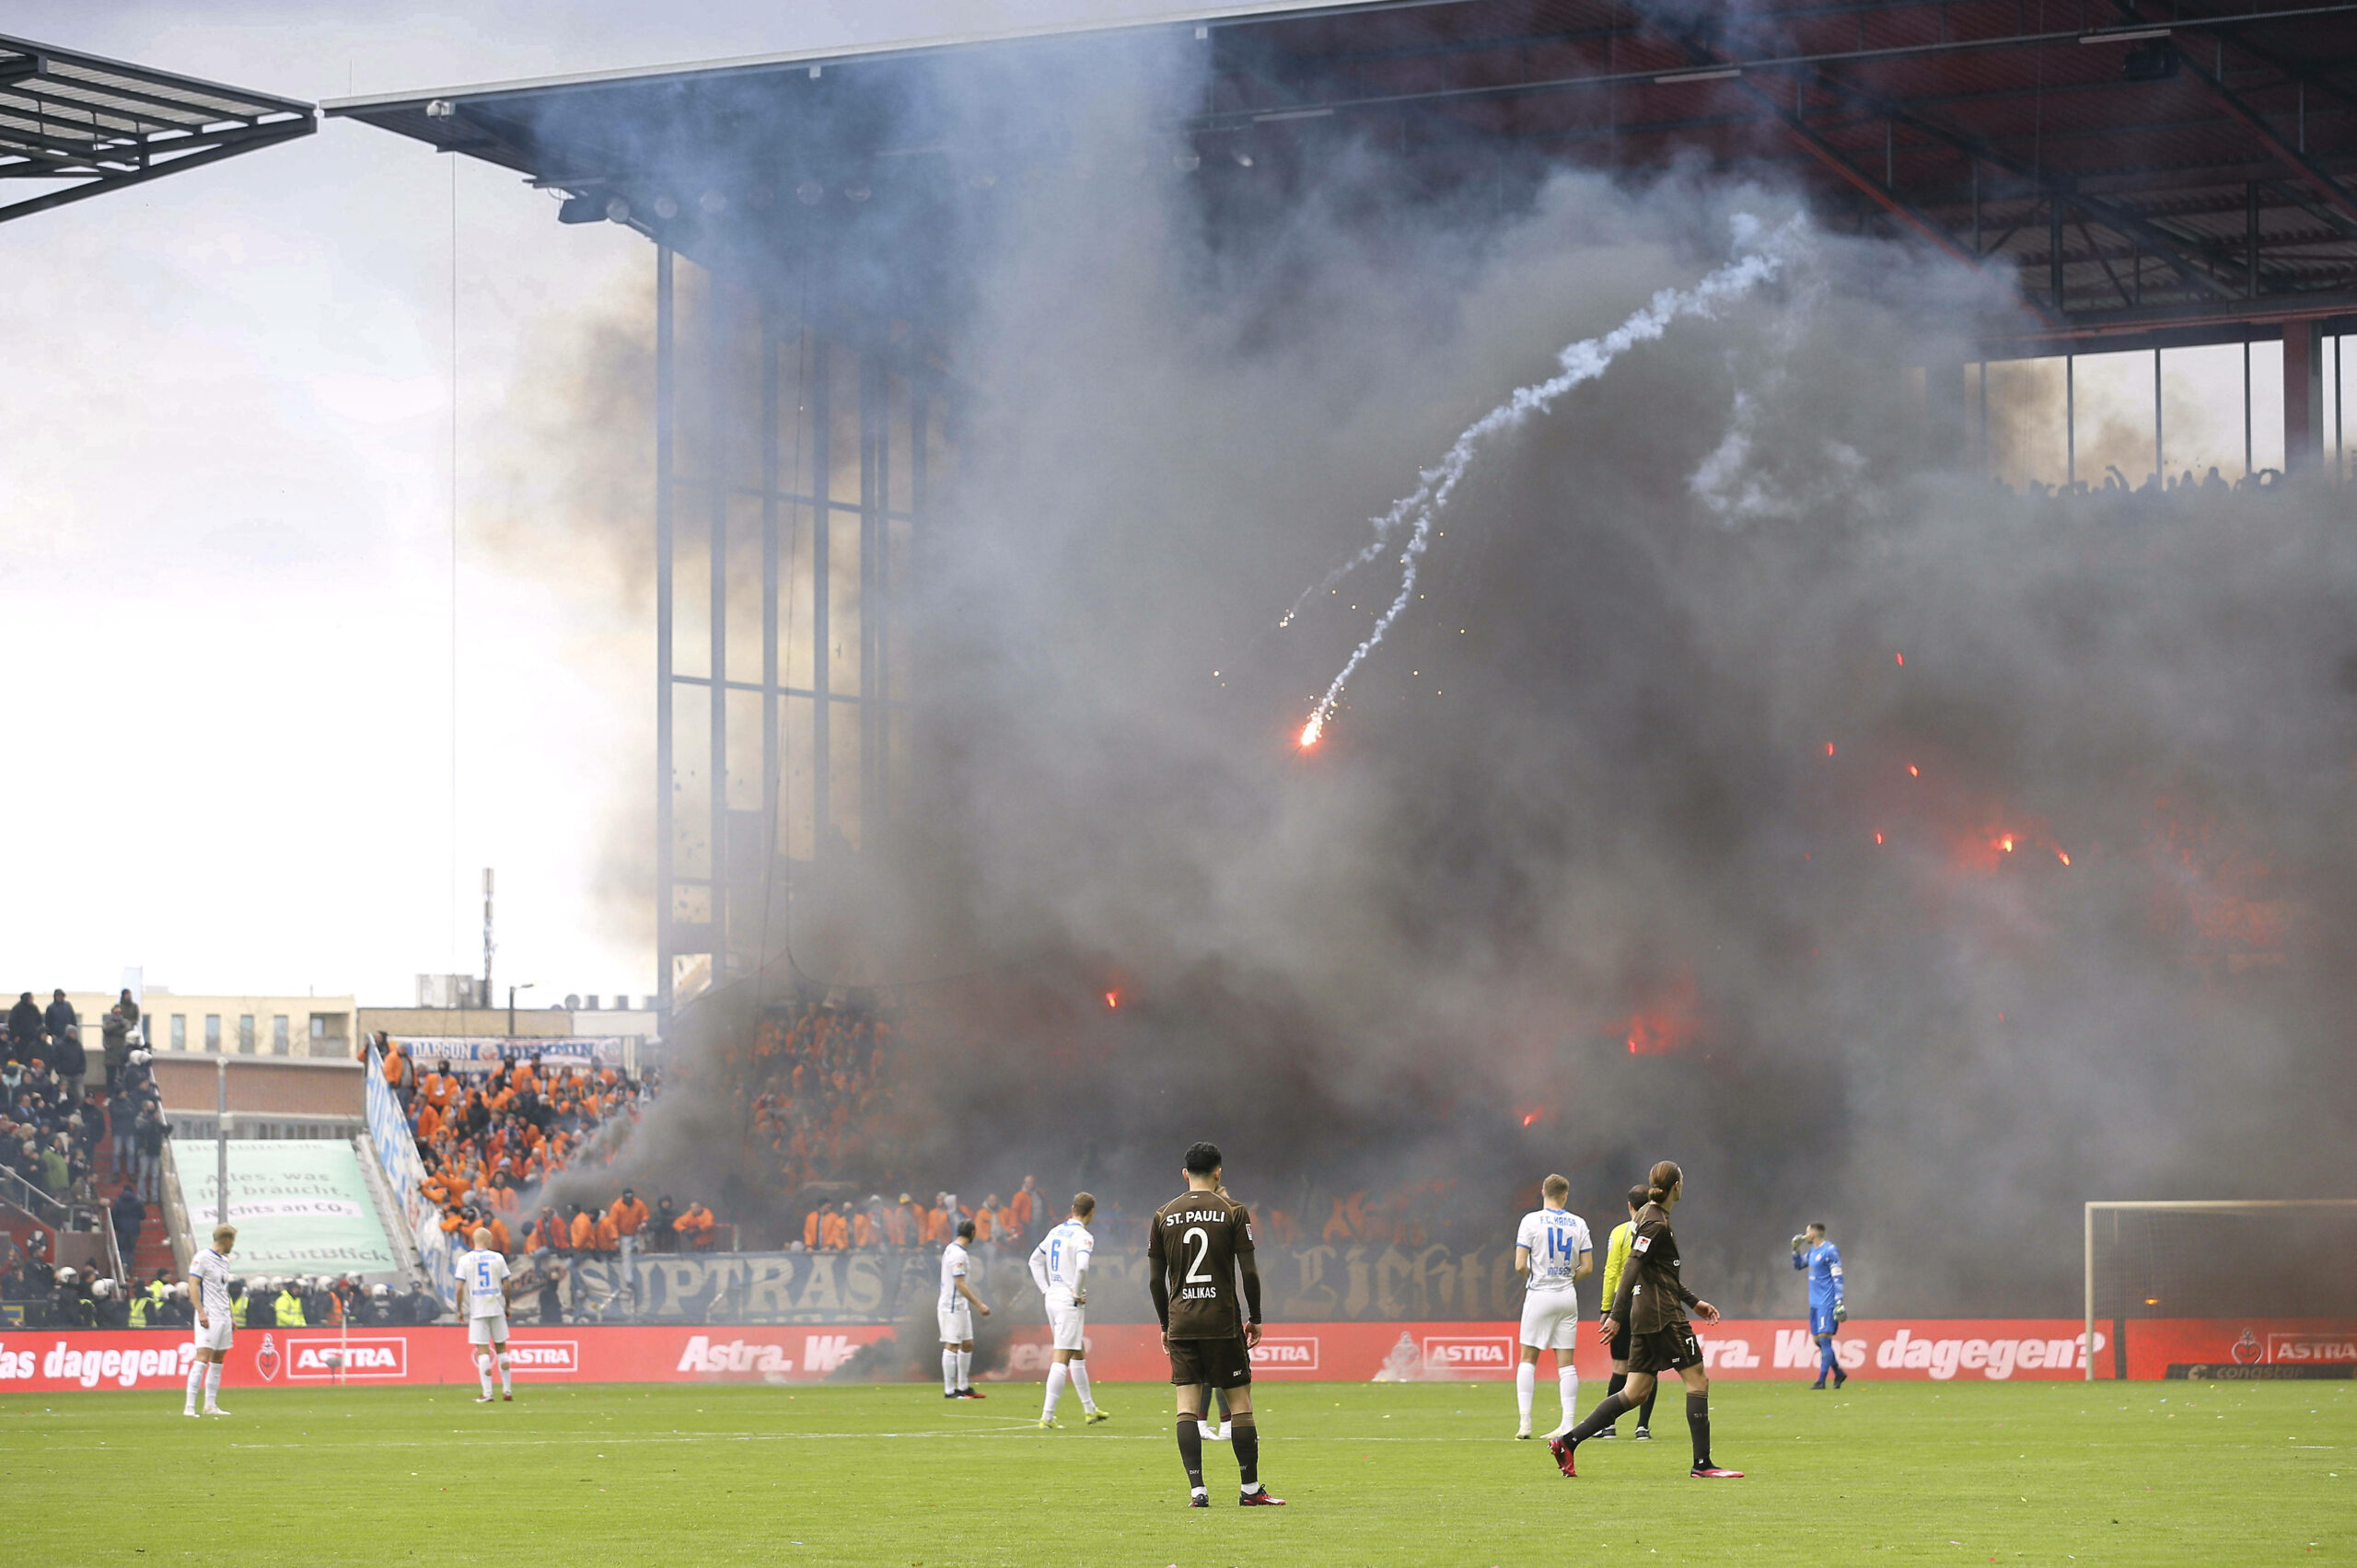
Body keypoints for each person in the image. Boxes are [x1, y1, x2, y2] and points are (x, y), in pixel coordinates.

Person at [1549, 1160, 1741, 1480]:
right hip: (1663, 1315)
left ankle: (1567, 1442)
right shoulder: (1656, 1223)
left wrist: (1695, 1302)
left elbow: (1658, 1272)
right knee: (1697, 1380)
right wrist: (1614, 1314)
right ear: (1676, 1186)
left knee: (1635, 1391)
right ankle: (1702, 1465)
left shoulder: (1647, 1216)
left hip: (1647, 1313)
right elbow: (1632, 1265)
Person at [1147, 1141, 1282, 1507]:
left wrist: (1165, 1324)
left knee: (1186, 1407)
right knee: (1240, 1404)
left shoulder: (1163, 1215)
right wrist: (1254, 1318)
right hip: (1222, 1322)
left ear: (1185, 1174)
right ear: (1219, 1172)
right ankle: (1250, 1490)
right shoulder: (1233, 1211)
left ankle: (1198, 1490)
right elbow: (1249, 1272)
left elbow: (1154, 1281)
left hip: (1182, 1322)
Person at [1512, 1173, 1593, 1441]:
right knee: (1566, 1363)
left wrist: (1537, 1278)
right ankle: (1567, 1423)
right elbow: (1588, 1267)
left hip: (1540, 1293)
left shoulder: (1530, 1221)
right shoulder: (1578, 1223)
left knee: (1528, 1358)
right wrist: (1568, 1278)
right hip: (1567, 1295)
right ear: (1565, 1195)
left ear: (1542, 1192)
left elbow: (1520, 1265)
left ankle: (1525, 1424)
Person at [1029, 1192, 1108, 1428]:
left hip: (1053, 1296)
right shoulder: (1083, 1237)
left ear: (1073, 1208)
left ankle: (1090, 1410)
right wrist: (1077, 1290)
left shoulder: (1055, 1231)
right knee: (1061, 1356)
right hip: (1068, 1300)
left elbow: (1034, 1260)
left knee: (1077, 1351)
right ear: (1091, 1212)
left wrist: (1046, 1289)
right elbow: (1082, 1267)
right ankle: (1047, 1416)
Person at [1595, 1185, 1657, 1441]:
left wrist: (1606, 1308)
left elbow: (1611, 1271)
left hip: (1624, 1304)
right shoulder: (1658, 1229)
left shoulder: (1619, 1232)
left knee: (1620, 1366)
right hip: (1649, 1304)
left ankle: (1608, 1426)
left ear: (1630, 1206)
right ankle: (1642, 1427)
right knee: (1650, 1366)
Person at [456, 1225, 516, 1402]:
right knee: (501, 1348)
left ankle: (488, 1393)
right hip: (496, 1307)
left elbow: (459, 1287)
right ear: (487, 1240)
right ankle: (507, 1391)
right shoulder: (498, 1258)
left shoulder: (465, 1260)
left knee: (482, 1350)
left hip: (478, 1310)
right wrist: (507, 1305)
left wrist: (459, 1310)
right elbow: (507, 1284)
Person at [184, 1224, 238, 1417]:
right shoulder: (202, 1258)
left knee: (218, 1360)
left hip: (223, 1316)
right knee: (202, 1358)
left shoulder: (225, 1261)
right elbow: (193, 1285)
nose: (233, 1244)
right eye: (233, 1240)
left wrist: (231, 1315)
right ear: (226, 1240)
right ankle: (189, 1406)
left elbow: (223, 1290)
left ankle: (210, 1405)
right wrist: (200, 1312)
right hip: (209, 1315)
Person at [937, 1218, 991, 1399]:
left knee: (967, 1344)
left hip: (960, 1305)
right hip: (952, 1305)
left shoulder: (952, 1249)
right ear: (973, 1233)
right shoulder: (958, 1254)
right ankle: (949, 1390)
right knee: (952, 1344)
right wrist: (979, 1304)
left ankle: (963, 1386)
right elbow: (960, 1284)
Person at [1791, 1221, 1848, 1388]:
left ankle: (1821, 1381)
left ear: (1813, 1234)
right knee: (1817, 1340)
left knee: (1824, 1341)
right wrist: (1795, 1249)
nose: (1804, 1235)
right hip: (1815, 1303)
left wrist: (1839, 1302)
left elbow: (1838, 1276)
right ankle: (1838, 1372)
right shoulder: (1812, 1251)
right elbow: (1798, 1265)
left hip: (1827, 1302)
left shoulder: (1830, 1250)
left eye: (1806, 1232)